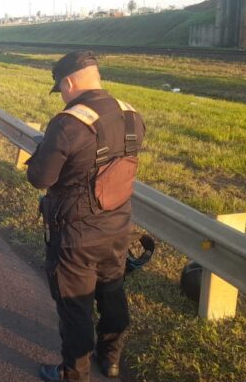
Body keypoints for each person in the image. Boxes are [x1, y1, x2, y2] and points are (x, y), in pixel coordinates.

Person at [26, 51, 146, 382]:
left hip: (76, 236)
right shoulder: (132, 115)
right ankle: (111, 359)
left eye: (60, 89)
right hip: (119, 227)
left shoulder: (68, 124)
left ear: (68, 82)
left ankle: (73, 375)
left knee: (75, 308)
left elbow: (40, 178)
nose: (62, 96)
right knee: (112, 292)